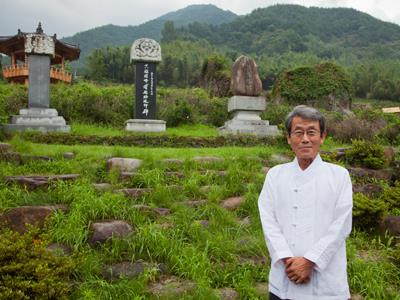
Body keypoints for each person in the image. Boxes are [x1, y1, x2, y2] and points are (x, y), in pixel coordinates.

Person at [258, 105, 353, 300]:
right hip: (284, 278)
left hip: (327, 285)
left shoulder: (339, 176)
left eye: (312, 132)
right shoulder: (275, 175)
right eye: (298, 132)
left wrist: (310, 261)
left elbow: (341, 225)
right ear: (288, 138)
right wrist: (287, 259)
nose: (305, 139)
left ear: (322, 136)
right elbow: (268, 221)